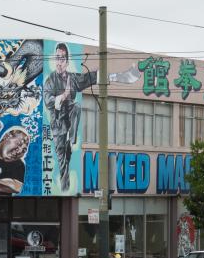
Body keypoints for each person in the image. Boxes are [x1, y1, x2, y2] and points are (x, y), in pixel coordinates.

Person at [44, 43, 140, 191]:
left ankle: (72, 137)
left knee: (76, 106)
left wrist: (121, 76)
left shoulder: (73, 78)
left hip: (70, 118)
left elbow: (92, 78)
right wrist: (63, 95)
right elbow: (48, 100)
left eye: (62, 59)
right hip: (58, 125)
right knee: (64, 160)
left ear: (67, 62)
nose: (59, 62)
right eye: (57, 58)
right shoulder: (50, 80)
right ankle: (65, 185)